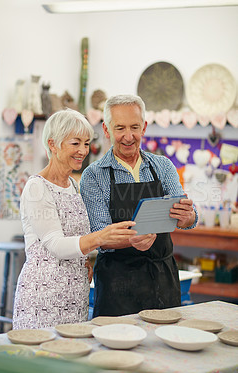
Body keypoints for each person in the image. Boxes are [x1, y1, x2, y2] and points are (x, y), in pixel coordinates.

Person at [12, 109, 136, 329]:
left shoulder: (73, 186)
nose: (83, 151)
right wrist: (100, 237)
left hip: (74, 295)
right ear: (53, 144)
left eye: (86, 143)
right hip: (43, 298)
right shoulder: (37, 188)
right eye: (75, 143)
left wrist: (86, 260)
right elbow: (56, 245)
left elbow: (75, 238)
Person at [80, 94, 198, 317]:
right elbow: (100, 236)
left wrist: (188, 217)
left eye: (134, 127)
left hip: (162, 278)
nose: (128, 136)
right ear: (106, 130)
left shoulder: (163, 166)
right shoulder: (93, 176)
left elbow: (189, 218)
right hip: (117, 283)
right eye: (119, 128)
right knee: (116, 348)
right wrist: (132, 240)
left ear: (144, 127)